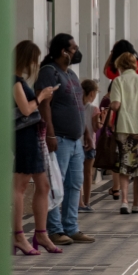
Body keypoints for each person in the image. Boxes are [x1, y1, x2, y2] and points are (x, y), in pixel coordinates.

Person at [36, 34, 95, 245]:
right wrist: (50, 134)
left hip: (75, 140)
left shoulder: (70, 74)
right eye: (74, 48)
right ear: (63, 51)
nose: (76, 52)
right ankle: (54, 229)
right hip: (58, 139)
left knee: (74, 183)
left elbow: (79, 106)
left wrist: (86, 132)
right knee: (55, 184)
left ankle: (71, 227)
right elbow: (44, 106)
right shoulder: (49, 72)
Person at [13, 41, 60, 255]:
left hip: (32, 136)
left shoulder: (21, 81)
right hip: (23, 136)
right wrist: (41, 96)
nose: (36, 64)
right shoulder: (14, 82)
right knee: (20, 186)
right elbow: (25, 109)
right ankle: (18, 235)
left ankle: (41, 233)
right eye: (34, 59)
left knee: (43, 186)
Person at [110, 52, 138, 214]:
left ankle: (124, 202)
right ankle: (136, 203)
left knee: (125, 166)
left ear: (120, 66)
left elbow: (116, 105)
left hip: (124, 128)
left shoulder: (118, 81)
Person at [79, 79, 101, 213]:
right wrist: (102, 120)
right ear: (92, 94)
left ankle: (78, 201)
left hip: (78, 143)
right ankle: (87, 201)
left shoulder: (77, 107)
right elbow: (96, 127)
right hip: (90, 144)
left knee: (77, 175)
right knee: (88, 174)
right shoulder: (94, 109)